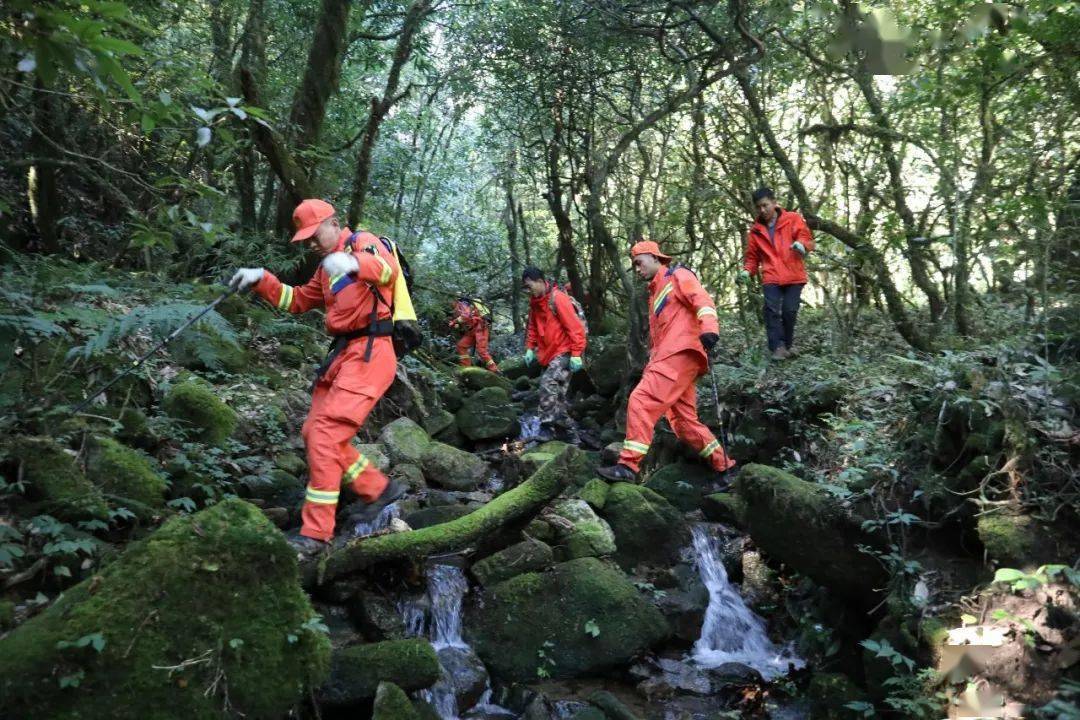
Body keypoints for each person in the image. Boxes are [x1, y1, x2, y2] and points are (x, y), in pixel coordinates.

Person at [229, 199, 406, 555]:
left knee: (325, 434)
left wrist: (355, 263)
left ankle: (315, 534)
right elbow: (296, 300)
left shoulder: (362, 242)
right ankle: (377, 488)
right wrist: (261, 279)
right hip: (344, 356)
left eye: (313, 234)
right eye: (304, 237)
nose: (309, 243)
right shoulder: (326, 269)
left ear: (332, 223)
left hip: (370, 353)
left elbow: (387, 271)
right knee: (315, 431)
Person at [597, 241, 736, 484]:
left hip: (679, 352)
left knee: (641, 400)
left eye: (639, 263)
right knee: (683, 422)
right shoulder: (654, 293)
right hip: (673, 357)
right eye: (634, 265)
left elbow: (701, 299)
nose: (637, 269)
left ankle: (628, 466)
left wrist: (710, 329)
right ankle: (725, 467)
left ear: (653, 257)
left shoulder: (677, 276)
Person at [738, 187, 814, 360]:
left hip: (794, 274)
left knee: (789, 311)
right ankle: (777, 347)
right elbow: (752, 258)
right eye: (758, 207)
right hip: (771, 275)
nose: (762, 210)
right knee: (771, 311)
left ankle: (787, 345)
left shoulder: (792, 218)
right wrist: (746, 272)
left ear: (774, 202)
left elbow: (806, 238)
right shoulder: (756, 230)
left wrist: (802, 245)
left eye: (765, 205)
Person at [522, 267, 587, 444]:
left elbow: (576, 328)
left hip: (565, 351)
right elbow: (533, 327)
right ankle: (571, 435)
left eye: (530, 286)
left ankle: (546, 426)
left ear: (541, 282)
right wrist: (529, 347)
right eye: (526, 288)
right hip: (549, 353)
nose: (529, 291)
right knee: (556, 398)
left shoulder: (558, 298)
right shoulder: (535, 302)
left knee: (547, 384)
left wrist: (576, 353)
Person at [450, 297, 499, 372]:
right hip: (472, 330)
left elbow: (466, 316)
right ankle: (466, 368)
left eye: (450, 301)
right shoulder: (459, 307)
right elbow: (465, 321)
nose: (449, 303)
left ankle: (494, 369)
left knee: (481, 350)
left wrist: (454, 321)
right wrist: (456, 324)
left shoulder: (462, 304)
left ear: (454, 300)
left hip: (480, 327)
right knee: (461, 346)